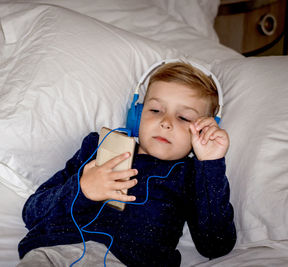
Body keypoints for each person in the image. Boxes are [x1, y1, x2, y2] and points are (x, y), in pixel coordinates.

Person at [17, 62, 236, 266]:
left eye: (184, 118)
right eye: (156, 110)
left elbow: (216, 245)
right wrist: (82, 189)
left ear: (204, 130)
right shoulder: (97, 147)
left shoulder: (192, 176)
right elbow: (32, 212)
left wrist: (211, 164)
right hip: (55, 251)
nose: (166, 123)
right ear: (136, 115)